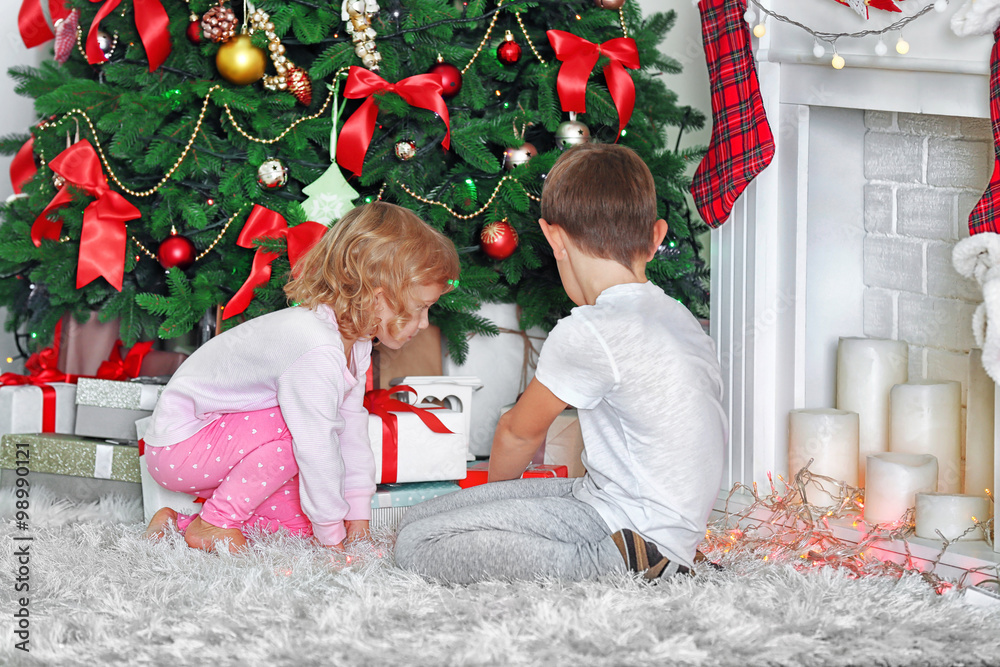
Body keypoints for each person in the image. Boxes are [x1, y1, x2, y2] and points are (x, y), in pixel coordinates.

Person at [394, 144, 727, 583]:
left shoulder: (593, 327)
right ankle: (664, 559)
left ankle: (627, 571)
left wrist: (499, 507)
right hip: (621, 506)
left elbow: (517, 431)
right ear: (657, 235)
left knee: (418, 543)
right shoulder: (677, 315)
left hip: (631, 534)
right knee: (419, 519)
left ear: (554, 238)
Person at [142, 202, 460, 553]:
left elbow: (353, 434)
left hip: (223, 445)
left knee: (300, 522)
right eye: (419, 308)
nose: (426, 322)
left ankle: (177, 524)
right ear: (376, 297)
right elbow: (317, 445)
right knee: (311, 437)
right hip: (183, 445)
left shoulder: (354, 346)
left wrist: (356, 522)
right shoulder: (315, 346)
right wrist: (334, 544)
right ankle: (215, 523)